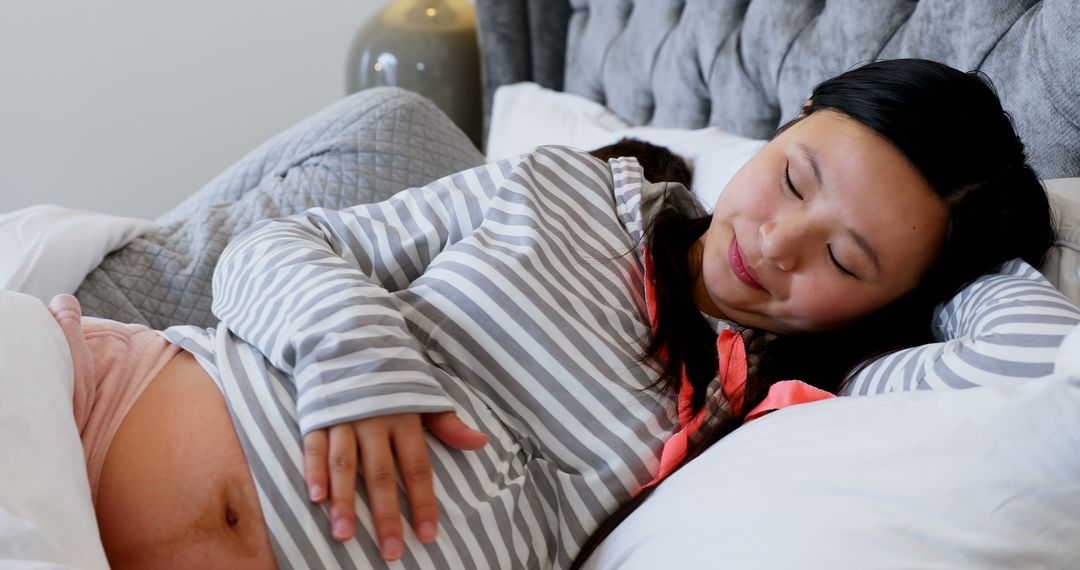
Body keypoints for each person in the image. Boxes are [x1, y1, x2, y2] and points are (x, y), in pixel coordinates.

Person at [66, 58, 1061, 569]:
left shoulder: (790, 407)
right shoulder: (568, 189)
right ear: (783, 128)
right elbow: (276, 251)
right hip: (101, 423)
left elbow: (1044, 366)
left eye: (844, 258)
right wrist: (350, 357)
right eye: (794, 176)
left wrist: (966, 247)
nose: (778, 243)